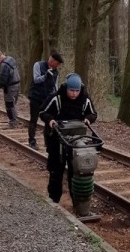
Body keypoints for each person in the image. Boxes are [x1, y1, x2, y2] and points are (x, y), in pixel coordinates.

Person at [39, 73, 97, 204]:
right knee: (56, 170)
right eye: (71, 90)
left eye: (77, 91)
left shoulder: (84, 99)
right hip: (56, 138)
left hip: (76, 140)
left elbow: (93, 113)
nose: (74, 94)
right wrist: (50, 120)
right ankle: (54, 199)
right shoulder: (56, 97)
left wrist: (88, 119)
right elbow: (43, 112)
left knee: (76, 171)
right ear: (66, 88)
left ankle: (76, 201)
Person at [27, 52, 64, 149]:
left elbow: (55, 85)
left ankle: (48, 142)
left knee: (49, 120)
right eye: (57, 63)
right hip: (36, 96)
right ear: (52, 60)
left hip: (47, 99)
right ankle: (32, 141)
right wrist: (45, 76)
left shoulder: (56, 72)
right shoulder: (38, 65)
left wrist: (57, 95)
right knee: (34, 119)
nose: (58, 66)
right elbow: (36, 79)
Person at [0, 50, 21, 128]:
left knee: (9, 104)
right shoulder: (11, 59)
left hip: (10, 86)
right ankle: (15, 119)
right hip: (17, 84)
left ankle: (13, 123)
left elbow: (2, 80)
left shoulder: (4, 65)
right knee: (13, 103)